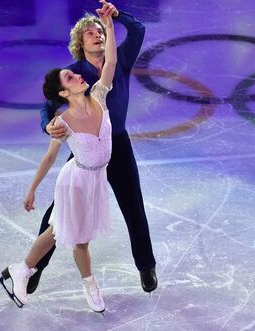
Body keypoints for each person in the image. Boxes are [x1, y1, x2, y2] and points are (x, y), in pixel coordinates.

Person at [0, 3, 117, 313]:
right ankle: (90, 286)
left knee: (55, 233)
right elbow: (50, 158)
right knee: (78, 240)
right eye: (71, 78)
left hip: (95, 179)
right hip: (76, 181)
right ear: (64, 92)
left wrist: (109, 24)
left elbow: (111, 60)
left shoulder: (100, 95)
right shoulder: (62, 122)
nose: (78, 75)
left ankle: (21, 269)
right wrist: (32, 189)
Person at [32, 0, 157, 295]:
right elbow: (47, 108)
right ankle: (35, 267)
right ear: (80, 43)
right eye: (90, 32)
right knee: (58, 211)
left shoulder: (120, 58)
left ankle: (146, 266)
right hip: (86, 152)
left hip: (118, 146)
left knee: (133, 206)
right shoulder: (72, 75)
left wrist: (116, 15)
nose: (97, 34)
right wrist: (47, 125)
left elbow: (138, 30)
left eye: (100, 31)